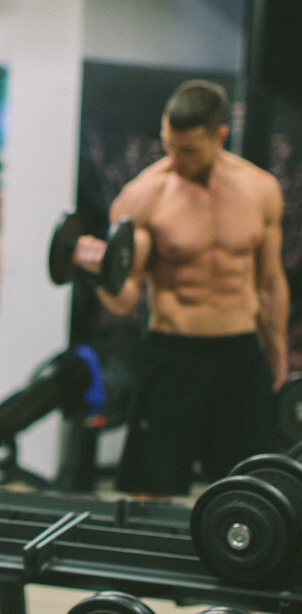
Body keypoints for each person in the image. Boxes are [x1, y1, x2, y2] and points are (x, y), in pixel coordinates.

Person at [73, 80, 289, 497]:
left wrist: (275, 351)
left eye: (189, 150)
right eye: (168, 145)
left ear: (220, 136)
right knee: (149, 491)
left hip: (239, 356)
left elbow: (271, 281)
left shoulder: (260, 189)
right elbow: (124, 295)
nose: (175, 160)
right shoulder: (142, 197)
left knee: (249, 491)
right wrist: (98, 274)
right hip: (173, 355)